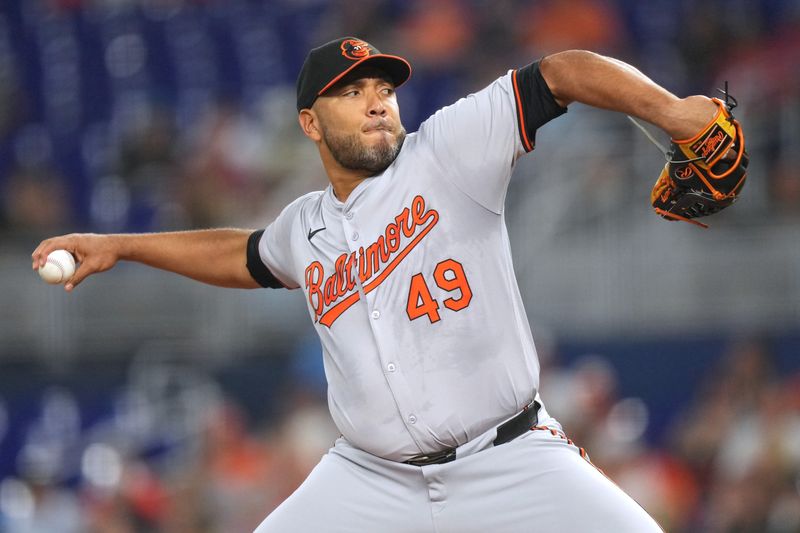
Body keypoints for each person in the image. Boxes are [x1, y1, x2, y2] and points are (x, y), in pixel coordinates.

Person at [32, 36, 719, 532]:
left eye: (384, 89)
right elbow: (241, 255)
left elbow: (566, 71)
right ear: (309, 122)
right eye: (351, 91)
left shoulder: (448, 151)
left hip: (507, 456)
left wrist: (678, 115)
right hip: (370, 479)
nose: (376, 102)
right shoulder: (306, 226)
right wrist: (118, 244)